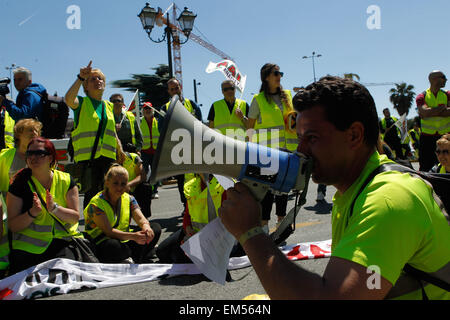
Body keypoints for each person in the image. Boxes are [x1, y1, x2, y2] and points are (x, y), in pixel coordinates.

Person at [219, 76, 450, 300]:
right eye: (300, 138)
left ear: (354, 135)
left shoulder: (388, 199)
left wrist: (250, 233)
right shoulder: (355, 188)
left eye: (312, 138)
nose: (301, 151)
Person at [6, 137, 82, 275]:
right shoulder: (18, 184)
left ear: (50, 157)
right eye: (29, 153)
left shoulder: (66, 180)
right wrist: (32, 213)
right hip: (29, 249)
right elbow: (13, 225)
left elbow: (75, 218)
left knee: (66, 275)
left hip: (61, 243)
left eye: (39, 153)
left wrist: (55, 209)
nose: (33, 158)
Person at [247, 63, 297, 229]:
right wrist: (249, 150)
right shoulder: (258, 100)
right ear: (266, 77)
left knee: (283, 189)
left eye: (280, 73)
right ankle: (264, 224)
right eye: (276, 73)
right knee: (267, 191)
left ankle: (281, 222)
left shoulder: (288, 96)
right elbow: (250, 127)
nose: (279, 76)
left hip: (287, 152)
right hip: (266, 153)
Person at [84, 164, 161, 264]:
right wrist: (134, 236)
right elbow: (109, 232)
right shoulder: (96, 203)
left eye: (123, 184)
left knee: (155, 228)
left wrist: (146, 227)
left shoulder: (129, 199)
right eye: (115, 183)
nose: (119, 187)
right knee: (113, 246)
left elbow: (141, 219)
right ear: (107, 183)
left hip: (124, 238)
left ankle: (131, 255)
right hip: (102, 241)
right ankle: (136, 254)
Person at [64, 61, 117, 207]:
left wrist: (120, 149)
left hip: (108, 158)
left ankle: (109, 226)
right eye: (92, 79)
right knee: (92, 197)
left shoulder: (108, 106)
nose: (97, 81)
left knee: (110, 195)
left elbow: (110, 131)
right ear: (86, 86)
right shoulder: (82, 103)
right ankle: (92, 227)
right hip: (88, 160)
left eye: (100, 78)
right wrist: (80, 77)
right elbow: (68, 99)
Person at [156, 173, 226, 263]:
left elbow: (232, 218)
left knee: (179, 257)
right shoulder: (193, 184)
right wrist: (187, 227)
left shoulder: (224, 185)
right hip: (194, 233)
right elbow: (188, 213)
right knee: (162, 252)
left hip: (218, 238)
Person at [162, 78, 203, 211]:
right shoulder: (165, 108)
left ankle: (197, 203)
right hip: (177, 150)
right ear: (169, 91)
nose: (175, 91)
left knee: (197, 176)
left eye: (176, 88)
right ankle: (186, 205)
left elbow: (200, 124)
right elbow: (161, 129)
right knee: (181, 179)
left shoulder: (192, 104)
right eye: (172, 89)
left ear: (181, 87)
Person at [416, 70, 450, 171]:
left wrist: (430, 111)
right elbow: (423, 112)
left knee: (447, 165)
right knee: (425, 168)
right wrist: (442, 109)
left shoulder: (447, 94)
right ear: (434, 79)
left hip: (446, 138)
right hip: (427, 140)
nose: (446, 80)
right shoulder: (422, 96)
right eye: (443, 77)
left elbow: (426, 113)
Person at [0, 119, 42, 196]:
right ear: (19, 134)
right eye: (30, 130)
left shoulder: (44, 157)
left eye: (36, 131)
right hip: (10, 204)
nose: (34, 133)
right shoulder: (4, 157)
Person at [115, 139, 152, 218]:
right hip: (117, 192)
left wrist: (128, 185)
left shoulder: (133, 157)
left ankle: (144, 218)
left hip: (133, 189)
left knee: (146, 187)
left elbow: (142, 176)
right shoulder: (110, 163)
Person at [140, 102, 160, 199]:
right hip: (144, 151)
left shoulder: (158, 121)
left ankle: (154, 190)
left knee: (155, 172)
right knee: (144, 171)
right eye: (145, 108)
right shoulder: (139, 122)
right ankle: (146, 189)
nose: (147, 110)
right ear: (143, 111)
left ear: (153, 110)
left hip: (156, 150)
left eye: (149, 108)